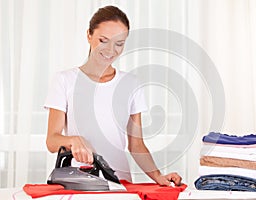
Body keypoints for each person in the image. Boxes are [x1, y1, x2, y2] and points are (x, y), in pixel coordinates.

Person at [44, 5, 182, 186]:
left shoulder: (131, 84)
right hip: (80, 181)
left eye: (119, 44)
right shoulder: (65, 80)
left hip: (120, 182)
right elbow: (52, 141)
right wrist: (72, 140)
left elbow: (136, 145)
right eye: (103, 40)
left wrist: (158, 176)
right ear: (89, 35)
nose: (111, 50)